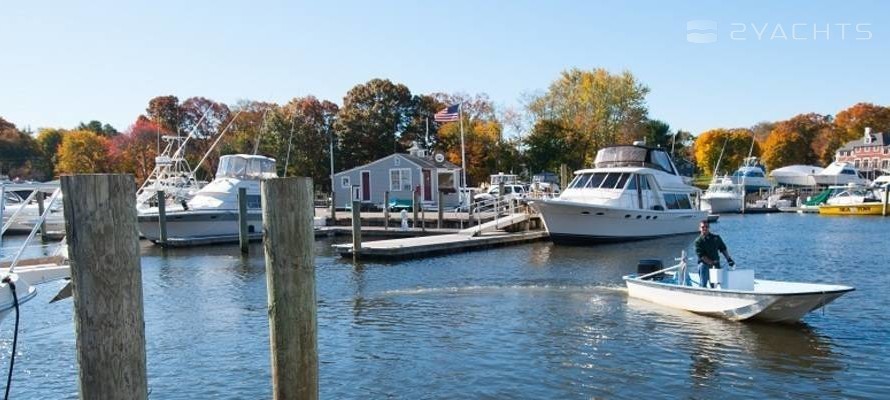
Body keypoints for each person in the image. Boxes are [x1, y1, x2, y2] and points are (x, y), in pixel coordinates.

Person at [694, 220, 734, 288]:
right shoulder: (698, 241)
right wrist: (712, 263)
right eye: (703, 227)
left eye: (706, 226)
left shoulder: (716, 238)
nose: (705, 228)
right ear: (699, 228)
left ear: (709, 227)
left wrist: (729, 259)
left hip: (716, 264)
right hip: (704, 265)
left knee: (715, 285)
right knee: (703, 284)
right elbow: (702, 256)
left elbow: (723, 249)